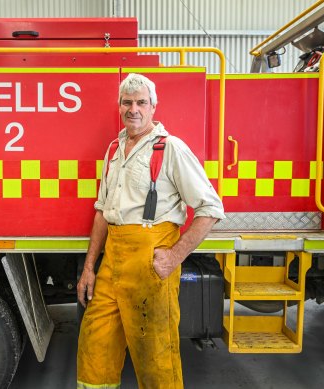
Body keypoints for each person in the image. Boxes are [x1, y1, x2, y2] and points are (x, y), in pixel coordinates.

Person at [76, 73, 225, 389]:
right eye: (127, 102)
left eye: (141, 102)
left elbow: (211, 209)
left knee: (156, 355)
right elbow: (102, 212)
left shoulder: (171, 149)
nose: (134, 109)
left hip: (150, 262)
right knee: (95, 344)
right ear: (119, 106)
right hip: (112, 260)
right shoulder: (114, 150)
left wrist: (174, 256)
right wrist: (90, 268)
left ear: (153, 107)